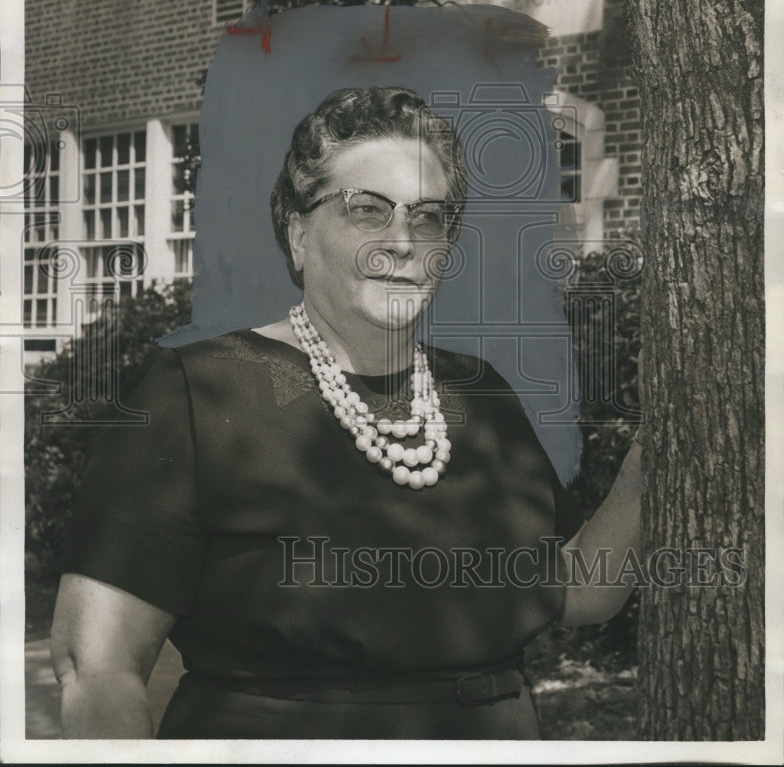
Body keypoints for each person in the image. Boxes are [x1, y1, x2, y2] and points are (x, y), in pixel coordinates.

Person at [50, 86, 641, 740]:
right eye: (367, 210)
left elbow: (578, 593)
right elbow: (97, 664)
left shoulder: (482, 396)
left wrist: (650, 465)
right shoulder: (195, 392)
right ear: (298, 230)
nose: (401, 240)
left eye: (428, 218)